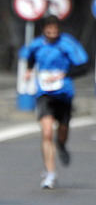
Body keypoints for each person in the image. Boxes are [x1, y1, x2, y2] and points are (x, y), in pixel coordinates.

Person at [24, 15, 88, 189]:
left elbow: (83, 67)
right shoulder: (37, 44)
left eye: (55, 31)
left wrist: (64, 75)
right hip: (44, 93)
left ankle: (61, 144)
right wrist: (29, 71)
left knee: (62, 132)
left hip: (64, 93)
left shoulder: (68, 44)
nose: (52, 34)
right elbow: (30, 57)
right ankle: (50, 174)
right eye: (48, 31)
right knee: (46, 132)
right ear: (43, 29)